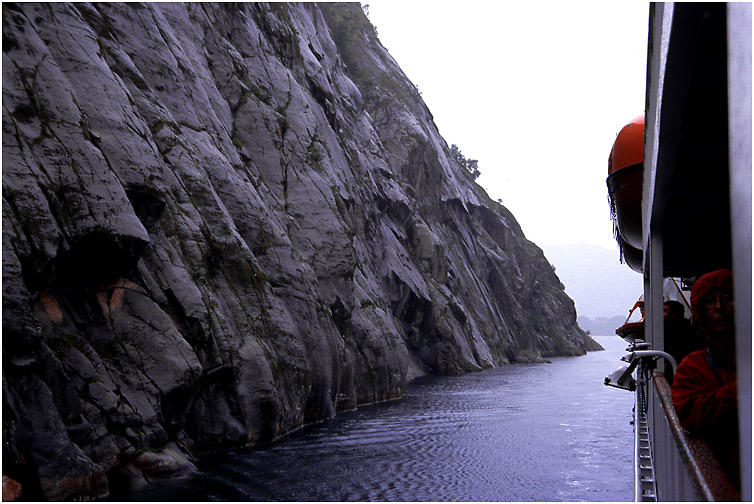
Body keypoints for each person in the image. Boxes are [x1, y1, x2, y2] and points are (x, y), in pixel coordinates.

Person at [671, 269, 739, 491]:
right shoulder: (693, 367)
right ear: (700, 312)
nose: (719, 307)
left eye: (728, 297)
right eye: (710, 301)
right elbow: (690, 413)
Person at [662, 299, 703, 383]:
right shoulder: (668, 330)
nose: (660, 314)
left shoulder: (686, 333)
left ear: (674, 315)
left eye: (664, 311)